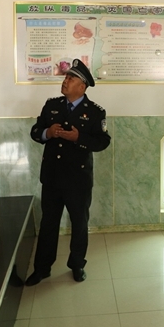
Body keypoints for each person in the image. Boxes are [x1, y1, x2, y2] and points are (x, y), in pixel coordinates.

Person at [25, 59, 111, 286]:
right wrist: (48, 133)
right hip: (52, 178)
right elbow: (35, 131)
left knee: (79, 224)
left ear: (82, 86)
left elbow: (103, 141)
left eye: (71, 79)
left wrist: (78, 138)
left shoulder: (95, 112)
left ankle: (77, 265)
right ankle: (42, 268)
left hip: (78, 180)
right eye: (66, 77)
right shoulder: (51, 105)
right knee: (48, 224)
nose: (65, 81)